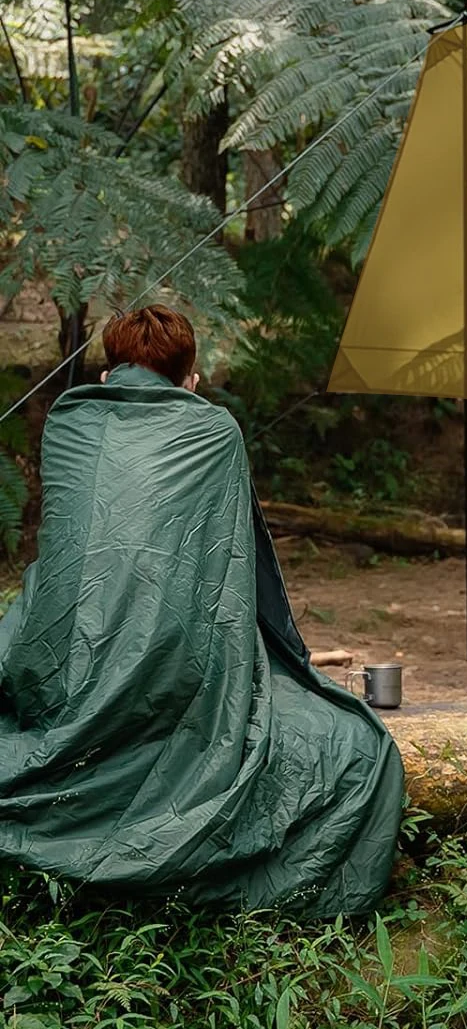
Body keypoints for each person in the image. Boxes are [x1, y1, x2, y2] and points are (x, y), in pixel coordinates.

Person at [0, 306, 404, 916]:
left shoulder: (68, 422)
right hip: (174, 668)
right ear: (189, 377)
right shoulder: (215, 431)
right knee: (353, 747)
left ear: (108, 372)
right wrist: (287, 658)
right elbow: (237, 571)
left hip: (56, 655)